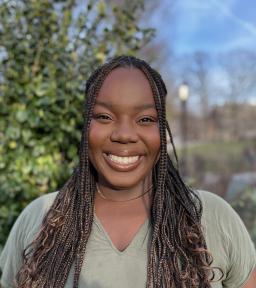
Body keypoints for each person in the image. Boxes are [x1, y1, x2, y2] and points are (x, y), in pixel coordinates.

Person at [0, 56, 255, 288]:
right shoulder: (39, 217)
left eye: (145, 119)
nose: (124, 135)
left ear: (162, 132)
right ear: (85, 127)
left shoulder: (212, 217)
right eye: (104, 116)